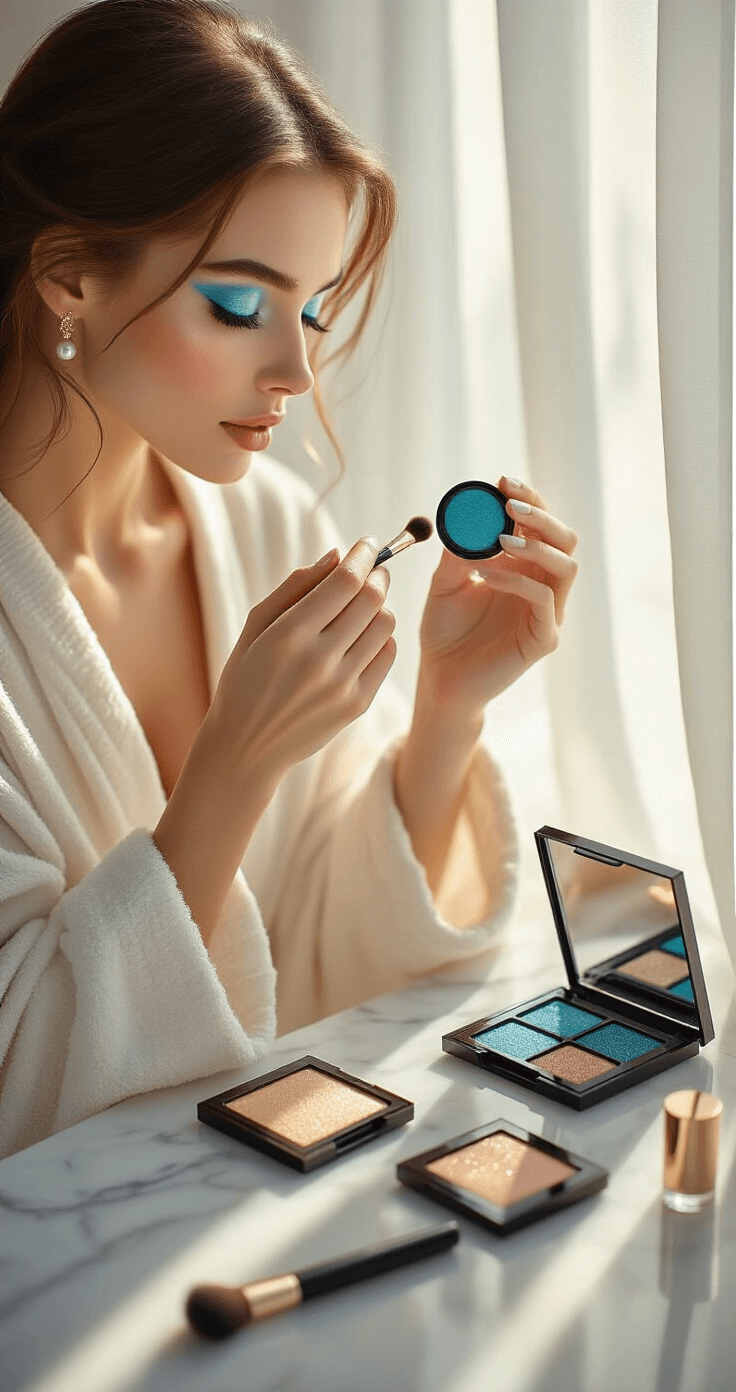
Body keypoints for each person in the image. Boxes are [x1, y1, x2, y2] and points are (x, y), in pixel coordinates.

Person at [0, 0, 578, 1158]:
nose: (295, 369)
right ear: (70, 279)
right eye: (236, 304)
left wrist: (444, 713)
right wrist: (233, 763)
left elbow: (310, 958)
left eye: (310, 310)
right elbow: (21, 1087)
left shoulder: (260, 526)